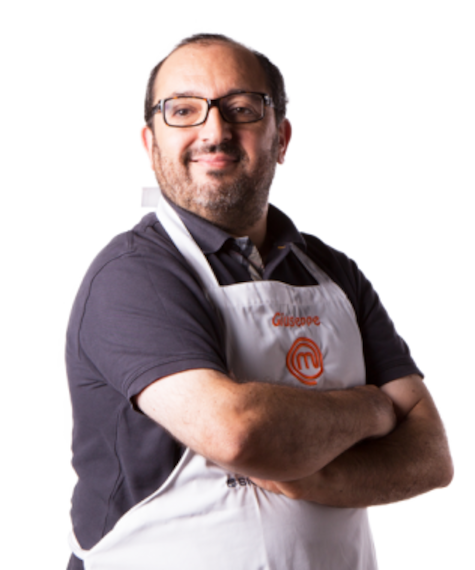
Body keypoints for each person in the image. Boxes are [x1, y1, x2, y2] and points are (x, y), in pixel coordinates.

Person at [64, 30, 454, 570]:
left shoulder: (335, 271)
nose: (214, 131)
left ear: (282, 137)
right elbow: (236, 432)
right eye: (183, 111)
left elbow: (432, 457)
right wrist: (373, 409)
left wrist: (318, 476)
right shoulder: (133, 274)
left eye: (242, 109)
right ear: (149, 142)